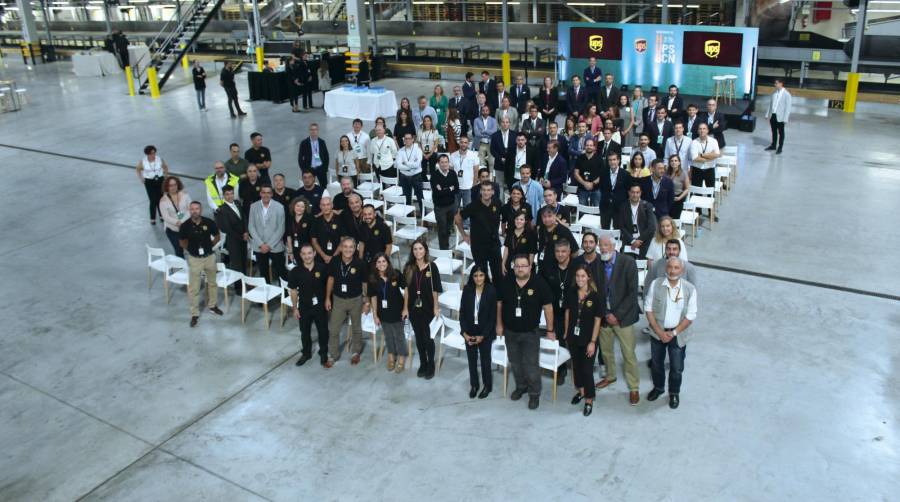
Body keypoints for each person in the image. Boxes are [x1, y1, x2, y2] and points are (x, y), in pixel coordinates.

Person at [496, 254, 555, 410]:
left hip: (530, 333)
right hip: (510, 332)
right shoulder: (507, 281)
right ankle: (521, 386)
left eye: (524, 265)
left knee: (531, 366)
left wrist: (550, 330)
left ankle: (534, 394)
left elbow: (548, 307)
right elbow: (499, 304)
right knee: (515, 362)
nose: (521, 268)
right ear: (513, 267)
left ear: (530, 267)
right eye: (518, 266)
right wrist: (499, 325)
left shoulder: (539, 283)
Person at [645, 257, 698, 409]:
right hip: (657, 333)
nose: (672, 270)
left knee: (676, 367)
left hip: (679, 335)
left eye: (676, 268)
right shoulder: (656, 284)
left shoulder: (690, 289)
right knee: (656, 364)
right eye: (670, 267)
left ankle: (674, 393)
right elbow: (648, 309)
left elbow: (691, 315)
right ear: (665, 268)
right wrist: (659, 332)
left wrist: (673, 333)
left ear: (682, 270)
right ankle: (658, 388)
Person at [595, 234, 641, 405]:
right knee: (606, 352)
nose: (604, 248)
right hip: (605, 316)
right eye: (601, 245)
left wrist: (617, 315)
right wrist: (605, 313)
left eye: (607, 245)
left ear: (614, 246)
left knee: (628, 354)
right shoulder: (597, 264)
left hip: (624, 317)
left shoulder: (628, 263)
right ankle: (610, 376)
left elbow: (632, 294)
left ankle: (634, 387)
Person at [401, 237, 443, 378]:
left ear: (425, 250)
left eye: (420, 248)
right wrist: (405, 308)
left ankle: (431, 364)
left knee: (428, 338)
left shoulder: (432, 267)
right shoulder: (408, 268)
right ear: (412, 251)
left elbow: (435, 290)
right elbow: (406, 290)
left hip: (428, 308)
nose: (418, 251)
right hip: (413, 309)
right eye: (415, 249)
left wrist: (436, 307)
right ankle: (423, 363)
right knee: (418, 338)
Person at [565, 264, 603, 416]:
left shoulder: (595, 296)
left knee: (587, 370)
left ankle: (589, 399)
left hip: (589, 339)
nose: (580, 279)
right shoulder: (572, 292)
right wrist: (567, 332)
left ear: (588, 277)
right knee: (577, 367)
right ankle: (581, 391)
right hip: (574, 337)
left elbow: (598, 320)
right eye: (577, 276)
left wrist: (593, 342)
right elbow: (568, 312)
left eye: (583, 276)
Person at [179, 201, 222, 327]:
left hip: (209, 257)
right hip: (194, 259)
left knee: (212, 283)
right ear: (189, 210)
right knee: (194, 288)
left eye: (197, 208)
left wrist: (211, 245)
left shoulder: (208, 222)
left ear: (201, 210)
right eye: (192, 209)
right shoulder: (185, 226)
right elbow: (182, 242)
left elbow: (217, 235)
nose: (194, 211)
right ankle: (194, 314)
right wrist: (192, 250)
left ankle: (213, 306)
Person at [325, 237, 367, 365]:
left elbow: (365, 283)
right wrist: (327, 297)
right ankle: (333, 355)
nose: (348, 249)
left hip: (356, 300)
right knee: (333, 329)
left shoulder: (360, 263)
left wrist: (366, 301)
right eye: (345, 246)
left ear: (355, 249)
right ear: (341, 248)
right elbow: (331, 279)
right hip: (338, 300)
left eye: (351, 247)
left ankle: (356, 352)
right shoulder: (335, 261)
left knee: (356, 328)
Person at [289, 243, 330, 367]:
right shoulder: (295, 271)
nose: (307, 256)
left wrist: (328, 299)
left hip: (320, 306)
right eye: (304, 254)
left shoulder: (322, 268)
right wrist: (295, 308)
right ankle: (306, 353)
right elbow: (293, 290)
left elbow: (329, 285)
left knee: (323, 331)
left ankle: (323, 353)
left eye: (309, 253)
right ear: (300, 255)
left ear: (314, 254)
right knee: (304, 332)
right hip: (304, 306)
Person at [460, 264, 497, 398]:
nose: (478, 278)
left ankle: (487, 385)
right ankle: (474, 385)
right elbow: (462, 313)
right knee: (472, 360)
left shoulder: (491, 290)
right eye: (475, 275)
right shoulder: (467, 289)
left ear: (485, 276)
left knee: (485, 360)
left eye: (481, 275)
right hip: (469, 330)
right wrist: (464, 333)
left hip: (485, 331)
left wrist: (483, 336)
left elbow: (492, 317)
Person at [541, 240, 575, 385]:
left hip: (573, 311)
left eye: (563, 251)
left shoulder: (576, 268)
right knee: (558, 340)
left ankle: (577, 367)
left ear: (569, 252)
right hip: (554, 311)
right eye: (557, 252)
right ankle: (561, 369)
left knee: (574, 340)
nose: (560, 254)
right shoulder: (548, 268)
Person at [456, 181, 503, 282]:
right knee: (482, 274)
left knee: (498, 274)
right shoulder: (473, 206)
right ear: (480, 191)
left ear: (493, 192)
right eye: (484, 190)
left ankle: (498, 296)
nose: (486, 192)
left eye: (489, 190)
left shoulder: (497, 203)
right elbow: (457, 219)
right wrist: (464, 235)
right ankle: (485, 296)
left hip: (494, 244)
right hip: (479, 246)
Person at [368, 253, 407, 372]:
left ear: (388, 262)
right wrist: (375, 315)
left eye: (383, 261)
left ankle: (401, 356)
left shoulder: (396, 274)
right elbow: (373, 298)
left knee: (399, 336)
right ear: (375, 265)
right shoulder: (373, 278)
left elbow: (406, 289)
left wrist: (405, 308)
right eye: (378, 262)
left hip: (397, 311)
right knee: (388, 335)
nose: (381, 264)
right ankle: (391, 355)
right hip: (383, 313)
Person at [248, 186, 287, 283]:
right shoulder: (253, 206)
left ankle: (285, 294)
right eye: (264, 192)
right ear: (260, 193)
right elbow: (251, 226)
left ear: (272, 194)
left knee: (281, 272)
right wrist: (261, 244)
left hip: (276, 245)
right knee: (263, 273)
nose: (266, 195)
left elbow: (281, 228)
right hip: (259, 246)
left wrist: (269, 245)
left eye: (268, 193)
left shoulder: (279, 207)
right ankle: (267, 296)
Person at [214, 185, 246, 291]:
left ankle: (244, 283)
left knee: (243, 261)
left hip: (243, 238)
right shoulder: (221, 210)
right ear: (223, 196)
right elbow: (226, 228)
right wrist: (242, 236)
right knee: (237, 264)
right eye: (227, 194)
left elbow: (243, 218)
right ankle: (239, 288)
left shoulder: (237, 203)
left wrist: (246, 231)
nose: (230, 196)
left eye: (231, 193)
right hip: (233, 240)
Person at [619, 184, 657, 259]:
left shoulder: (647, 206)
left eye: (637, 192)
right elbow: (622, 226)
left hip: (644, 241)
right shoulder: (623, 206)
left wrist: (639, 240)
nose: (635, 195)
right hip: (629, 241)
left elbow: (652, 227)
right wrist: (632, 241)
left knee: (642, 264)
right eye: (633, 192)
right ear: (629, 193)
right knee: (627, 264)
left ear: (640, 193)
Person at [430, 154, 459, 250]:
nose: (444, 164)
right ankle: (443, 250)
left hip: (452, 205)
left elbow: (456, 189)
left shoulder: (452, 173)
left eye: (446, 162)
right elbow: (438, 193)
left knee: (449, 227)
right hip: (440, 207)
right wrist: (450, 188)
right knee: (442, 230)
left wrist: (444, 190)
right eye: (442, 162)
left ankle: (447, 242)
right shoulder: (434, 176)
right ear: (438, 163)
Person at [536, 205, 577, 272]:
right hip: (542, 267)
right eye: (544, 217)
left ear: (555, 216)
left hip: (558, 270)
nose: (547, 219)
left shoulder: (564, 231)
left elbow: (575, 252)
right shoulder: (541, 229)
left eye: (549, 216)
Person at [136, 145, 169, 226]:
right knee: (153, 200)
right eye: (151, 153)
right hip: (149, 182)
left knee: (160, 198)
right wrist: (141, 178)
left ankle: (162, 215)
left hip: (159, 180)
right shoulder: (143, 161)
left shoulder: (159, 159)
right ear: (147, 154)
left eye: (154, 153)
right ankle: (152, 217)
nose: (153, 155)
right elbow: (138, 169)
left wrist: (166, 176)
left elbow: (165, 167)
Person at [159, 175, 190, 257]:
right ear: (167, 187)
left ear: (178, 185)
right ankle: (182, 268)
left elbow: (190, 209)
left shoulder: (185, 195)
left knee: (192, 248)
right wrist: (177, 222)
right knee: (179, 250)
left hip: (186, 227)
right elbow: (166, 217)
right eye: (170, 185)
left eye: (175, 184)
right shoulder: (163, 201)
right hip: (172, 230)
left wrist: (182, 221)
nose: (173, 187)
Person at [599, 151, 632, 229]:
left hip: (620, 207)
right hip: (605, 205)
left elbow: (628, 190)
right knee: (604, 229)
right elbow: (601, 188)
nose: (612, 162)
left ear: (618, 160)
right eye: (610, 160)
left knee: (618, 230)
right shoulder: (603, 173)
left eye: (614, 159)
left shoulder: (626, 174)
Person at [395, 133, 425, 214]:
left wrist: (405, 163)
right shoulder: (400, 151)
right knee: (407, 197)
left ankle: (423, 216)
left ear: (412, 139)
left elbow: (417, 164)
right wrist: (411, 166)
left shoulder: (418, 150)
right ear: (404, 140)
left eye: (409, 138)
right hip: (404, 177)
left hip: (416, 176)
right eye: (406, 139)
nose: (407, 140)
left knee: (420, 197)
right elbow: (399, 165)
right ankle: (408, 215)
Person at [689, 122, 721, 193]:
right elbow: (695, 158)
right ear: (697, 131)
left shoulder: (713, 141)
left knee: (711, 192)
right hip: (697, 170)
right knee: (696, 193)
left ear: (707, 130)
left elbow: (717, 155)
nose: (702, 130)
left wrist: (702, 155)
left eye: (704, 129)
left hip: (710, 169)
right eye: (700, 129)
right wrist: (710, 156)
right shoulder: (694, 142)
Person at [450, 136, 480, 211]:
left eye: (465, 142)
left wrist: (473, 186)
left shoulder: (473, 155)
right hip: (456, 187)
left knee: (467, 210)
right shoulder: (453, 155)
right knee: (454, 210)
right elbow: (450, 172)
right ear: (459, 143)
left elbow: (476, 172)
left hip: (468, 188)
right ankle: (454, 223)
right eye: (462, 142)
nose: (463, 144)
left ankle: (466, 223)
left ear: (468, 144)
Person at [298, 123, 330, 188]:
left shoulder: (322, 142)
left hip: (320, 168)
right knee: (309, 186)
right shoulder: (304, 143)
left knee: (324, 186)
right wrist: (304, 170)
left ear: (318, 131)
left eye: (315, 129)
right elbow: (300, 158)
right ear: (309, 131)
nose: (313, 131)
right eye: (311, 129)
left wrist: (325, 168)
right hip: (309, 169)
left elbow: (326, 156)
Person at [312, 197, 343, 264]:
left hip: (337, 257)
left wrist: (333, 257)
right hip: (320, 257)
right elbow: (314, 241)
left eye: (328, 204)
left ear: (332, 205)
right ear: (320, 206)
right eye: (323, 205)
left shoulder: (340, 220)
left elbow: (343, 240)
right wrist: (324, 256)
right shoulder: (316, 221)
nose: (326, 207)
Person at [766, 78, 792, 154]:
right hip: (773, 115)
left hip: (781, 117)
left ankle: (780, 147)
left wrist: (785, 119)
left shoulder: (787, 94)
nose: (775, 85)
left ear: (781, 84)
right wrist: (767, 114)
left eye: (776, 83)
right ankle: (773, 145)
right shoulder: (774, 93)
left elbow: (788, 108)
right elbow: (770, 104)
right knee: (773, 131)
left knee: (781, 132)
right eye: (775, 83)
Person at [285, 197, 313, 265]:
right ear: (294, 206)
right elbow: (288, 236)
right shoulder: (290, 218)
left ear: (305, 208)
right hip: (295, 249)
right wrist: (290, 252)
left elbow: (313, 238)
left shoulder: (310, 219)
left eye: (302, 207)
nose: (299, 208)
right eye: (297, 206)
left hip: (307, 251)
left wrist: (311, 252)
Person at [574, 138, 602, 206]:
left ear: (594, 147)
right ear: (584, 146)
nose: (589, 147)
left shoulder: (599, 159)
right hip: (582, 189)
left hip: (596, 189)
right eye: (587, 145)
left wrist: (592, 183)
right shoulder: (579, 158)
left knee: (597, 212)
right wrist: (584, 183)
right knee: (582, 212)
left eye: (591, 145)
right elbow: (576, 173)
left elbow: (602, 175)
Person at [490, 117, 515, 189]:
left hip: (511, 165)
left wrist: (509, 159)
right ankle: (500, 200)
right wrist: (500, 158)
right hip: (499, 164)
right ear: (500, 124)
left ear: (509, 124)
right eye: (503, 122)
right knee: (499, 185)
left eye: (507, 122)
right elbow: (492, 150)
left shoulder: (514, 135)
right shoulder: (495, 135)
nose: (505, 124)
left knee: (511, 185)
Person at [473, 105, 498, 171]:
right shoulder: (476, 120)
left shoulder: (493, 120)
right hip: (480, 143)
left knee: (492, 162)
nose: (485, 112)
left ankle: (491, 177)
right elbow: (477, 133)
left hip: (491, 143)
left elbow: (494, 132)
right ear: (481, 111)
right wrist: (488, 134)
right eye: (483, 110)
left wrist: (484, 131)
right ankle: (482, 179)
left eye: (486, 110)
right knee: (481, 162)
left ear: (489, 111)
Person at [667, 154, 690, 219]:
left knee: (675, 217)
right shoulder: (666, 173)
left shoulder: (684, 173)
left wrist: (679, 197)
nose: (673, 162)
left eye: (675, 161)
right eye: (671, 161)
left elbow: (687, 189)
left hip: (678, 197)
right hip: (667, 197)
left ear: (679, 162)